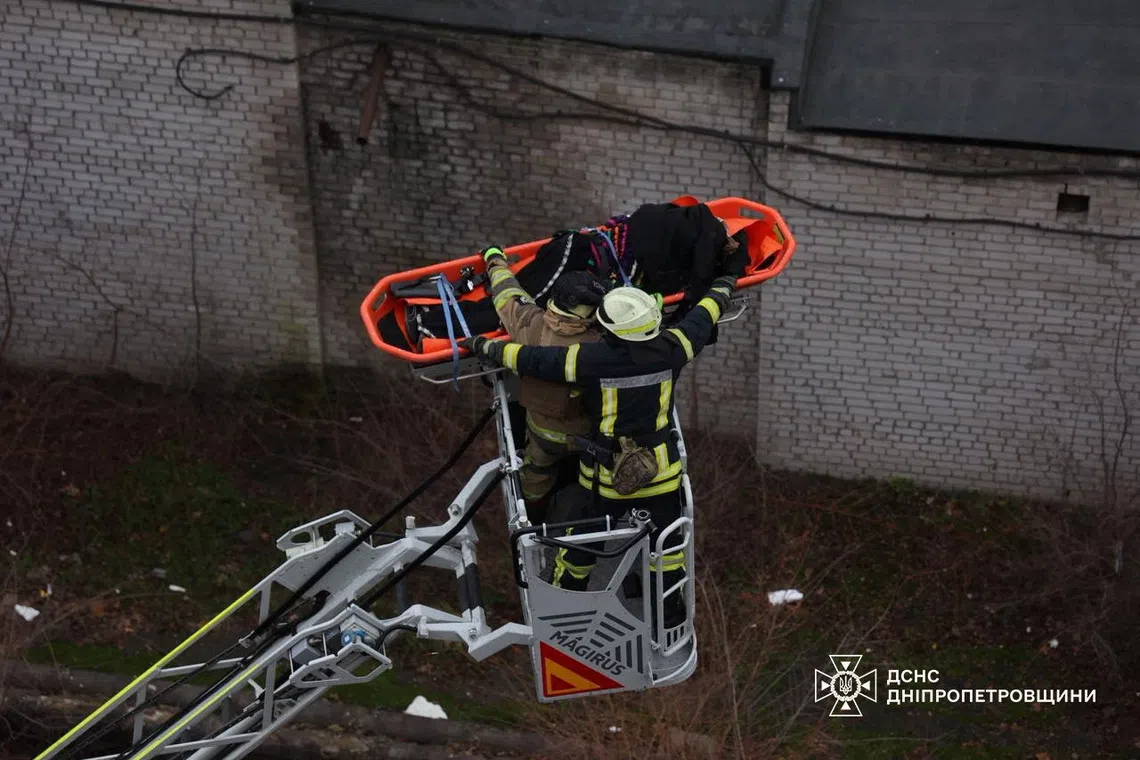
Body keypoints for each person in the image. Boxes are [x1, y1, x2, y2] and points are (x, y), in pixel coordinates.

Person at [464, 245, 751, 628]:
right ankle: (670, 612)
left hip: (603, 478)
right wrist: (728, 274)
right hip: (661, 473)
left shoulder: (591, 359)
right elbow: (706, 311)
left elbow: (530, 359)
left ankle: (568, 601)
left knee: (582, 542)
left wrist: (484, 346)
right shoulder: (675, 347)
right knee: (667, 550)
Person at [479, 245, 610, 522]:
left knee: (535, 479)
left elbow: (507, 293)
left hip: (541, 436)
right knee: (593, 482)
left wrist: (494, 259)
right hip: (585, 440)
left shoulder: (529, 324)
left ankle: (535, 519)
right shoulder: (601, 347)